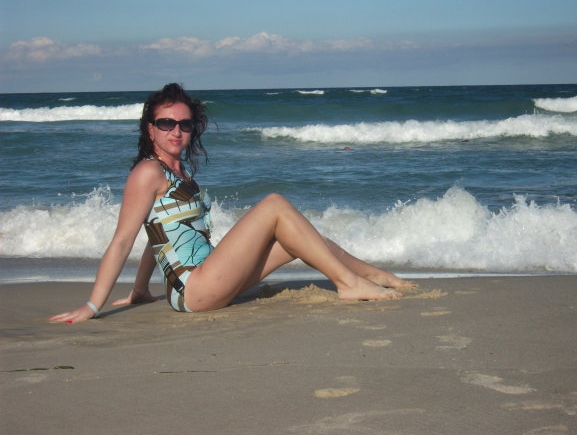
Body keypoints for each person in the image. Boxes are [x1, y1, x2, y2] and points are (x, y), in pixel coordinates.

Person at [50, 83, 414, 324]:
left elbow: (155, 234)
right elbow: (122, 240)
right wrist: (93, 306)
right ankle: (349, 285)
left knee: (304, 239)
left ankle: (378, 276)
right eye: (166, 123)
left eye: (185, 124)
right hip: (194, 289)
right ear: (150, 128)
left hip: (211, 277)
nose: (176, 131)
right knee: (274, 204)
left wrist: (140, 291)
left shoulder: (180, 174)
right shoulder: (148, 172)